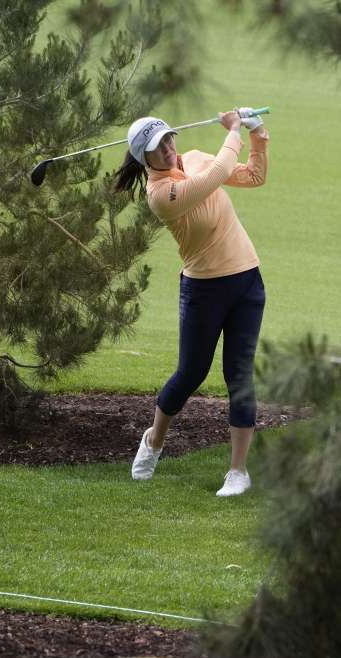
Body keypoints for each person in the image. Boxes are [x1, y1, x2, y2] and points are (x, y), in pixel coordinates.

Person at [112, 107, 269, 496]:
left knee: (239, 376)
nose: (166, 149)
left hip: (247, 281)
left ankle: (237, 472)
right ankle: (153, 442)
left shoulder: (196, 157)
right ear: (141, 158)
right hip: (203, 290)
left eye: (167, 139)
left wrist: (257, 133)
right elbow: (216, 176)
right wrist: (232, 130)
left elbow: (254, 176)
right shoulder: (162, 195)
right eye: (155, 147)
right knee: (190, 374)